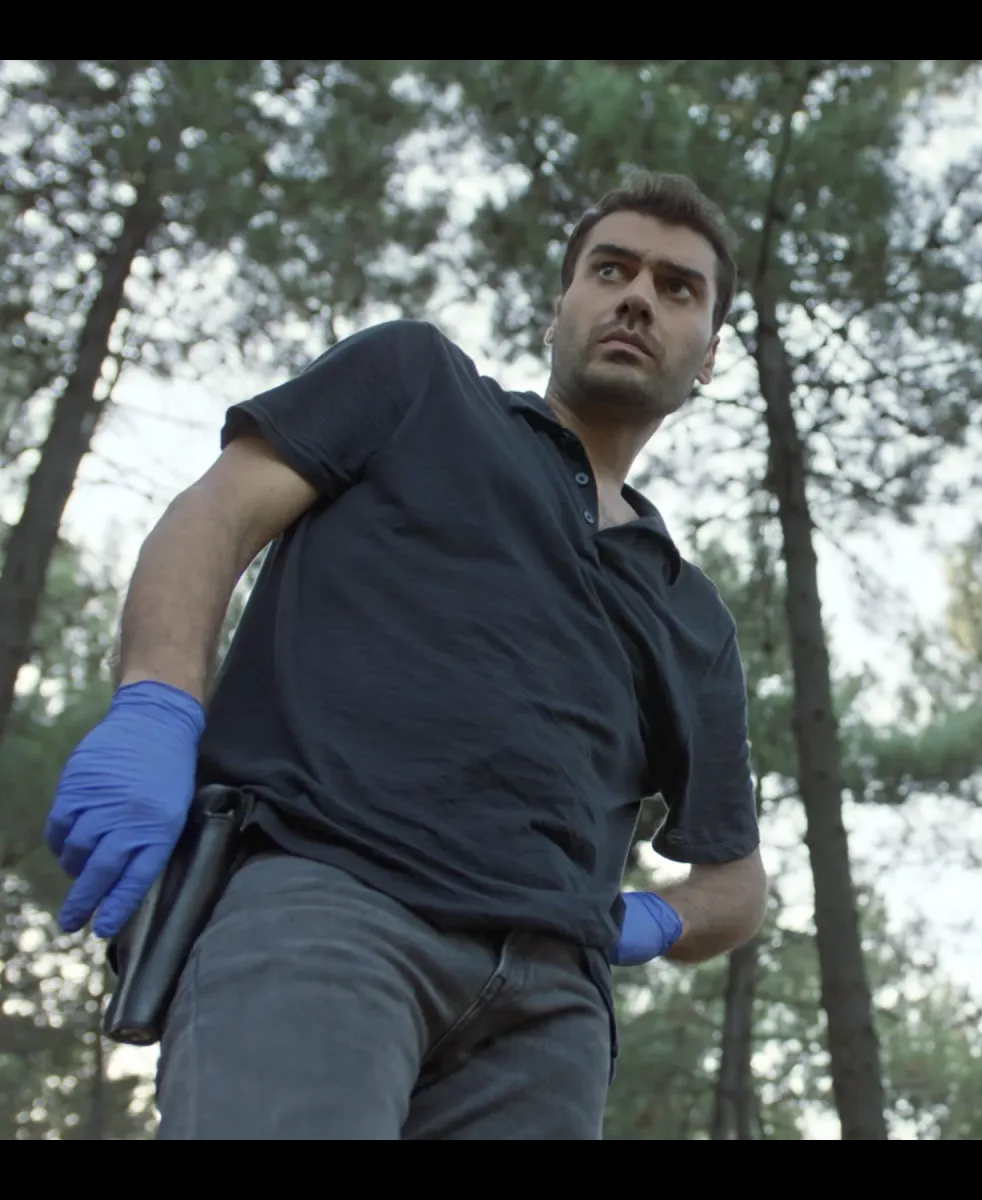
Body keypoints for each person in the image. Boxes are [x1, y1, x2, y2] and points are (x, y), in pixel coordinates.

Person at [42, 170, 768, 1139]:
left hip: (549, 1017)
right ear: (559, 308)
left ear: (709, 354)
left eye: (677, 287)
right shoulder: (418, 384)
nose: (638, 296)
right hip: (324, 901)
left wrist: (646, 922)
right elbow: (216, 515)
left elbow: (736, 884)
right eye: (611, 270)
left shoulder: (692, 614)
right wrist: (156, 704)